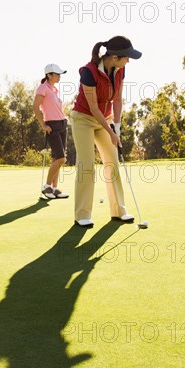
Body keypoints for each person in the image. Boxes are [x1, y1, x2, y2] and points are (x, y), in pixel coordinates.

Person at [70, 36, 142, 227]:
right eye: (127, 57)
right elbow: (93, 107)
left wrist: (116, 126)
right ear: (116, 56)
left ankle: (119, 211)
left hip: (106, 117)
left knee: (112, 162)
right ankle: (82, 215)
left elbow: (117, 99)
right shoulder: (88, 71)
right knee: (86, 165)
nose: (128, 61)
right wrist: (111, 133)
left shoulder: (120, 70)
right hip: (83, 118)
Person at [33, 63, 69, 199]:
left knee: (56, 158)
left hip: (62, 124)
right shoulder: (43, 88)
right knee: (61, 158)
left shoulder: (54, 90)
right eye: (57, 74)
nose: (59, 76)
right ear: (49, 75)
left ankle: (54, 188)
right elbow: (35, 107)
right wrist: (43, 125)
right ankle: (47, 187)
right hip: (51, 125)